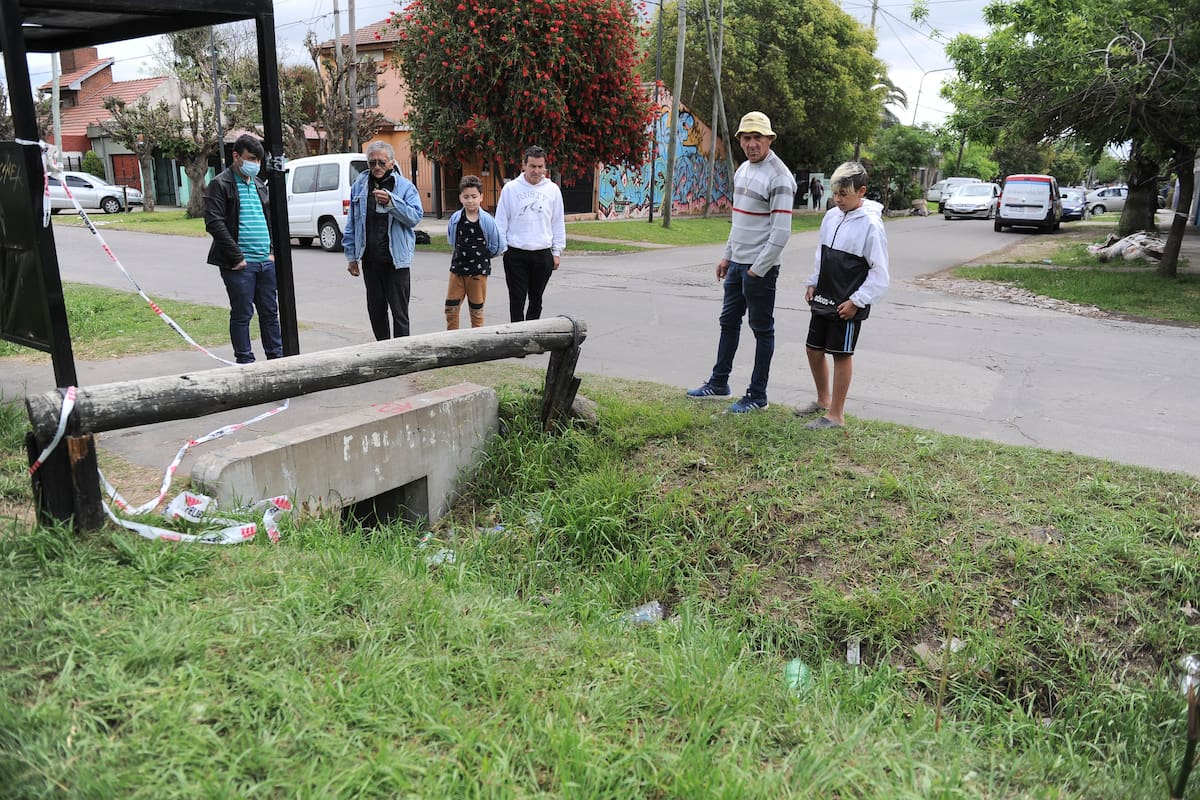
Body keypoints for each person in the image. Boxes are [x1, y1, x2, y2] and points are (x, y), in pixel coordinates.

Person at [686, 111, 796, 413]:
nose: (751, 144)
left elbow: (781, 233)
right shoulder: (744, 170)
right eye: (746, 138)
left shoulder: (780, 177)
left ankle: (757, 395)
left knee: (762, 330)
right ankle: (719, 383)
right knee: (728, 322)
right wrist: (727, 255)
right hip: (737, 264)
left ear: (770, 139)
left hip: (760, 269)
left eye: (757, 137)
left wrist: (757, 270)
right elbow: (738, 221)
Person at [798, 161, 890, 430]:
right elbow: (822, 253)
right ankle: (823, 400)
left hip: (848, 303)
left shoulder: (871, 225)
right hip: (824, 295)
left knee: (841, 354)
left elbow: (880, 273)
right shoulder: (831, 216)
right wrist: (813, 282)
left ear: (861, 191)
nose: (837, 199)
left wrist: (857, 301)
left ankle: (836, 415)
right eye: (835, 193)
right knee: (813, 349)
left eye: (844, 194)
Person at [204, 133, 283, 365]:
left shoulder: (259, 185)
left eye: (258, 160)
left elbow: (268, 219)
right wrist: (237, 257)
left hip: (265, 262)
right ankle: (245, 361)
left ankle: (276, 359)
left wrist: (271, 251)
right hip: (239, 264)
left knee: (270, 312)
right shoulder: (220, 184)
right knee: (242, 313)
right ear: (236, 156)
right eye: (250, 159)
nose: (255, 164)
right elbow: (214, 222)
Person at [343, 141, 425, 340]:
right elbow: (352, 223)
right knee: (376, 311)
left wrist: (391, 202)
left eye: (381, 162)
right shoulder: (360, 185)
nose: (377, 167)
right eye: (372, 163)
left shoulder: (405, 187)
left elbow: (414, 217)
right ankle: (382, 350)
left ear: (391, 163)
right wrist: (351, 257)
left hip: (396, 261)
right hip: (370, 260)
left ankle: (402, 353)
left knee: (400, 314)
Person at [494, 145, 566, 322]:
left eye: (540, 167)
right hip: (516, 253)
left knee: (536, 300)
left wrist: (557, 252)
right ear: (524, 165)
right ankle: (517, 335)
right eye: (532, 166)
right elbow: (501, 221)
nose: (536, 171)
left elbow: (557, 222)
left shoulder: (552, 190)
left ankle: (532, 333)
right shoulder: (511, 189)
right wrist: (503, 248)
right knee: (517, 300)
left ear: (545, 167)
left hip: (542, 253)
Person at [445, 175, 506, 329]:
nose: (470, 200)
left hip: (478, 271)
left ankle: (477, 338)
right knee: (451, 308)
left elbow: (497, 245)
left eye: (474, 196)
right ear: (460, 197)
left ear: (481, 197)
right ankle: (452, 338)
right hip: (458, 269)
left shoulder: (487, 220)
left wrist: (485, 257)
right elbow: (452, 239)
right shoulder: (456, 218)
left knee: (476, 310)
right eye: (466, 197)